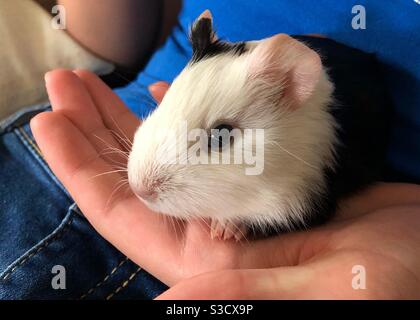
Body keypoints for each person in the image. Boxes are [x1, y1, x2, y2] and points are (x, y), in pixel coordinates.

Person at [0, 0, 419, 299]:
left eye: (219, 137)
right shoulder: (210, 56)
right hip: (66, 146)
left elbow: (304, 207)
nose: (148, 185)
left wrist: (250, 224)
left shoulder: (316, 159)